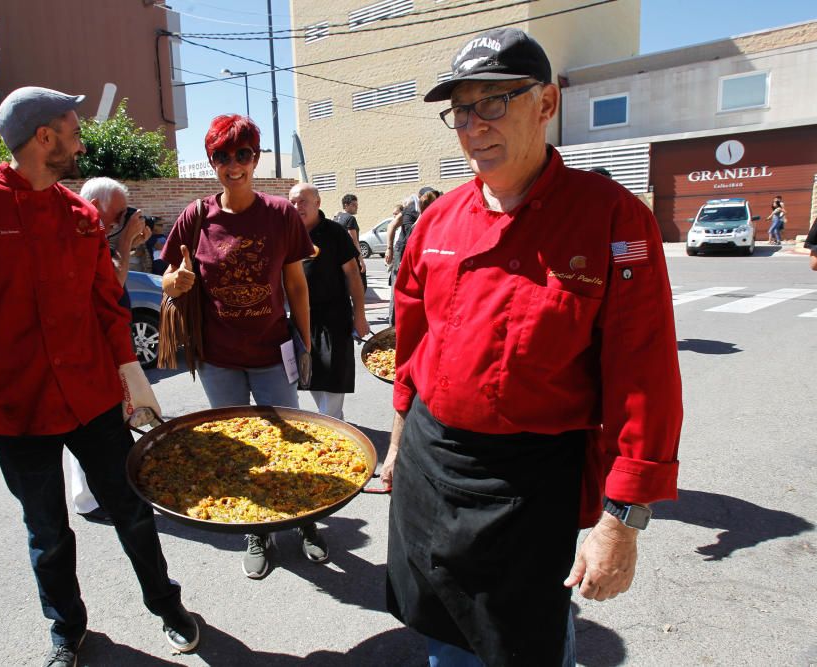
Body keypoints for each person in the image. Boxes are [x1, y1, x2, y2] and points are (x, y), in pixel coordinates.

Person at [380, 29, 682, 666]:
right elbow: (411, 340)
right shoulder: (436, 221)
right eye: (461, 110)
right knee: (443, 644)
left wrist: (622, 521)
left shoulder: (612, 219)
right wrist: (400, 437)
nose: (473, 126)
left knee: (530, 651)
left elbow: (644, 376)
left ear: (545, 104)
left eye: (494, 103)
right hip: (431, 472)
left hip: (529, 486)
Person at [0, 86, 199, 666]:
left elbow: (108, 308)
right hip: (17, 408)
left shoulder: (80, 215)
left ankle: (165, 603)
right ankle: (67, 629)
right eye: (71, 127)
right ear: (44, 137)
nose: (79, 138)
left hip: (92, 400)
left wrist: (133, 385)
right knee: (47, 532)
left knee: (133, 511)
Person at [160, 114, 317, 580]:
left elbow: (296, 285)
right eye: (222, 157)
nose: (233, 165)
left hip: (272, 354)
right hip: (219, 361)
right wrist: (177, 282)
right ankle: (258, 527)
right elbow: (167, 279)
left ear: (256, 157)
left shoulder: (280, 214)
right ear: (212, 162)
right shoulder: (196, 217)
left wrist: (304, 343)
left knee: (292, 447)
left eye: (242, 155)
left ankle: (305, 520)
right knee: (240, 452)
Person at [62, 177, 148, 525]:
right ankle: (93, 498)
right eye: (114, 217)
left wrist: (124, 240)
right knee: (95, 428)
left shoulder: (94, 234)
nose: (116, 223)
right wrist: (125, 240)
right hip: (91, 349)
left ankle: (89, 496)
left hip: (101, 344)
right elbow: (113, 288)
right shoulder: (80, 234)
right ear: (94, 207)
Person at [289, 182, 371, 419]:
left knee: (335, 377)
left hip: (335, 318)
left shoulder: (335, 233)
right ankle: (334, 420)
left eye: (303, 201)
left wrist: (360, 315)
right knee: (312, 376)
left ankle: (331, 425)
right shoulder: (289, 234)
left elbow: (353, 274)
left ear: (317, 202)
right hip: (302, 319)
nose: (297, 207)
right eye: (293, 202)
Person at [385, 187, 440, 324]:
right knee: (399, 288)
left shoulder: (435, 211)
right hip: (402, 252)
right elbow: (392, 226)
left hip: (419, 255)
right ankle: (394, 326)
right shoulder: (410, 210)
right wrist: (389, 248)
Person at [333, 193, 367, 290]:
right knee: (360, 286)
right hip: (350, 256)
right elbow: (354, 241)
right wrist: (361, 260)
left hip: (338, 257)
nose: (356, 207)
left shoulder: (337, 217)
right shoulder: (350, 218)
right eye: (353, 205)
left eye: (357, 205)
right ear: (346, 205)